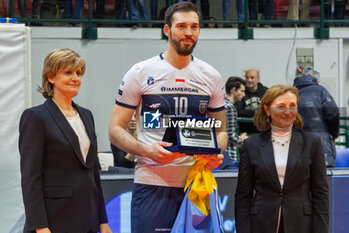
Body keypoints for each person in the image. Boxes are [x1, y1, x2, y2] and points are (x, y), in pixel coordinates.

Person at [108, 2, 227, 232]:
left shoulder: (211, 76)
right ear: (167, 30)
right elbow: (114, 129)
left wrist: (215, 151)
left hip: (196, 185)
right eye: (181, 26)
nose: (189, 32)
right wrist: (146, 150)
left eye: (194, 27)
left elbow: (221, 132)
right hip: (152, 182)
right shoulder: (141, 72)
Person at [19, 48, 112, 233]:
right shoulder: (35, 117)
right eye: (68, 72)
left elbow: (93, 174)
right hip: (55, 221)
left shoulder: (87, 115)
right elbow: (31, 179)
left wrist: (103, 221)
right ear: (51, 77)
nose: (76, 78)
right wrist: (40, 227)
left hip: (89, 220)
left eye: (78, 73)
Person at [235, 84, 329, 233]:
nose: (288, 111)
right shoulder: (251, 145)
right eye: (281, 106)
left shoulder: (312, 143)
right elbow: (243, 196)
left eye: (293, 105)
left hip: (301, 224)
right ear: (267, 109)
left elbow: (321, 193)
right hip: (261, 224)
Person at [293, 70, 339, 167]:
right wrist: (334, 134)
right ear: (317, 80)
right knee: (324, 177)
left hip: (298, 146)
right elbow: (333, 113)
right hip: (322, 145)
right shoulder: (321, 91)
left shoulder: (293, 93)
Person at [235, 69, 268, 134]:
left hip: (262, 130)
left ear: (258, 79)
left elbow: (269, 110)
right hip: (244, 131)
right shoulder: (240, 92)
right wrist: (255, 112)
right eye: (247, 77)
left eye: (252, 78)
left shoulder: (266, 92)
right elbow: (237, 110)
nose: (249, 80)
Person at [225, 76, 248, 161]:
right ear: (233, 90)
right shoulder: (230, 107)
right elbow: (230, 136)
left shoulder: (220, 104)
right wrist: (241, 139)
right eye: (242, 91)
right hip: (228, 154)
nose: (244, 94)